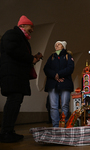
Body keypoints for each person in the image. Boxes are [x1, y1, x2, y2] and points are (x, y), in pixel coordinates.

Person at [0, 15, 42, 143]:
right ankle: (6, 133)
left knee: (15, 102)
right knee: (13, 102)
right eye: (31, 27)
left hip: (16, 76)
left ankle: (9, 130)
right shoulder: (12, 33)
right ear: (22, 25)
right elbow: (11, 49)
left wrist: (33, 58)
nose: (33, 30)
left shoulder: (20, 38)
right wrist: (30, 58)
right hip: (12, 75)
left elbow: (18, 54)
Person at [43, 41, 74, 127]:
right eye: (56, 44)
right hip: (52, 83)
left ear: (63, 46)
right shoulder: (52, 57)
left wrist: (59, 74)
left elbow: (70, 68)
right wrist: (55, 75)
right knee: (53, 106)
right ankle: (56, 126)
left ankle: (64, 125)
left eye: (59, 44)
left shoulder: (68, 56)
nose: (57, 45)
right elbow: (46, 68)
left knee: (65, 105)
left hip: (65, 83)